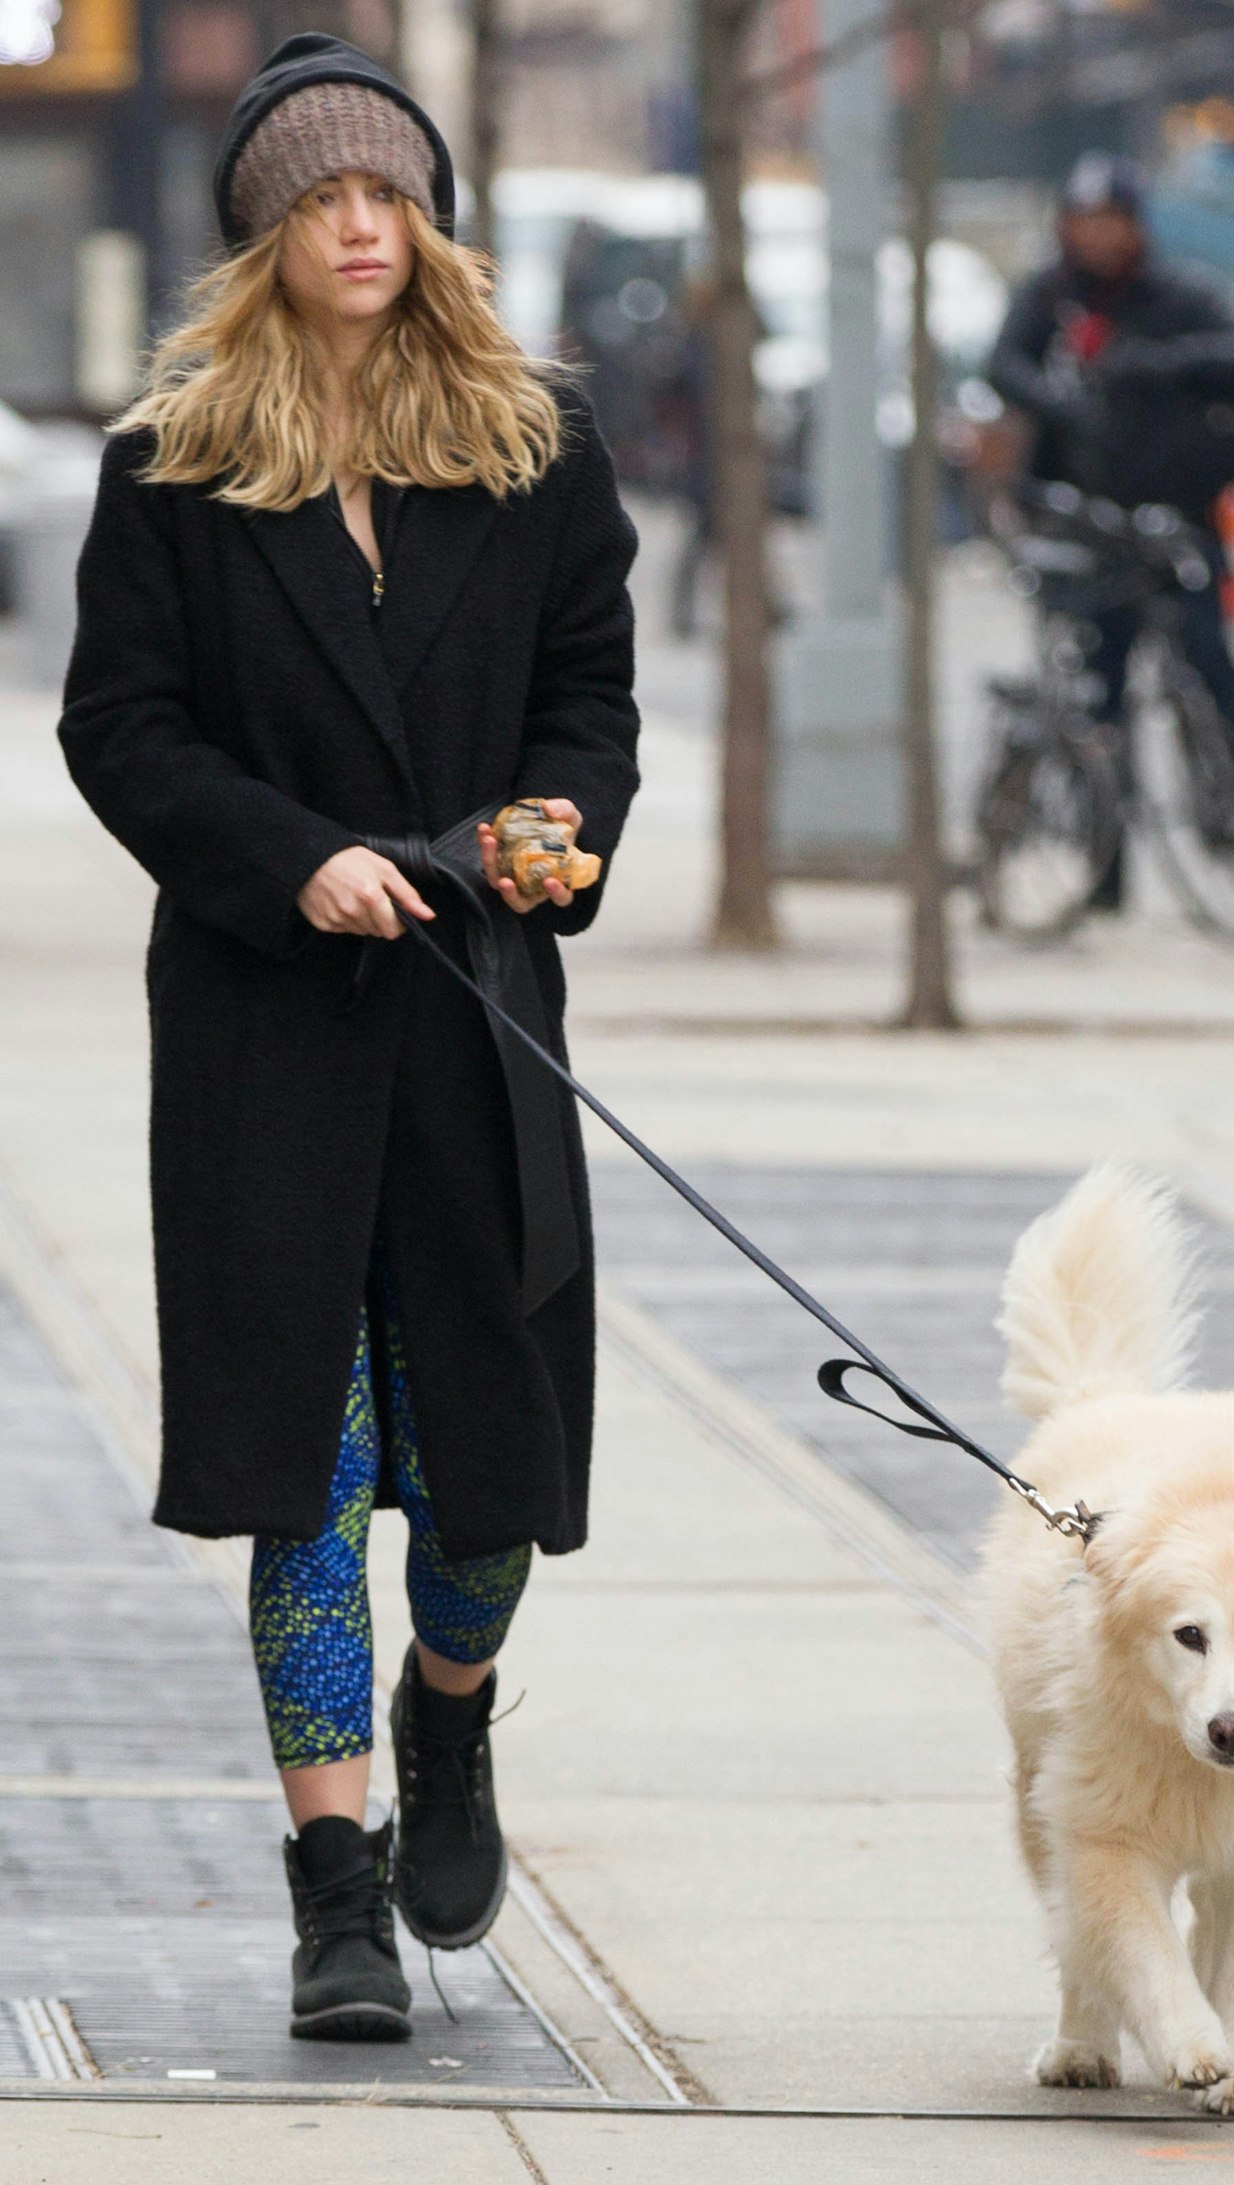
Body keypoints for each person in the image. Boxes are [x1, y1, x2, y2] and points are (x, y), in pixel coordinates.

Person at [57, 34, 640, 2043]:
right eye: (318, 201)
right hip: (263, 1029)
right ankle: (334, 1893)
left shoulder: (538, 443)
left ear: (433, 217)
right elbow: (121, 731)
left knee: (489, 1484)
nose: (359, 228)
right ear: (266, 234)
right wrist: (291, 863)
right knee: (305, 1471)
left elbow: (590, 704)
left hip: (479, 1020)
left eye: (383, 193)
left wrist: (554, 833)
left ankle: (449, 1718)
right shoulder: (176, 455)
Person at [987, 151, 1234, 902]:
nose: (1097, 237)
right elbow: (1005, 364)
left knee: (1211, 670)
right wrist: (1065, 403)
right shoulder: (1051, 297)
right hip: (1094, 528)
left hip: (1178, 523)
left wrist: (1153, 366)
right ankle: (1106, 869)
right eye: (1084, 221)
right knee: (1101, 699)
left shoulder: (1180, 295)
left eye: (1111, 222)